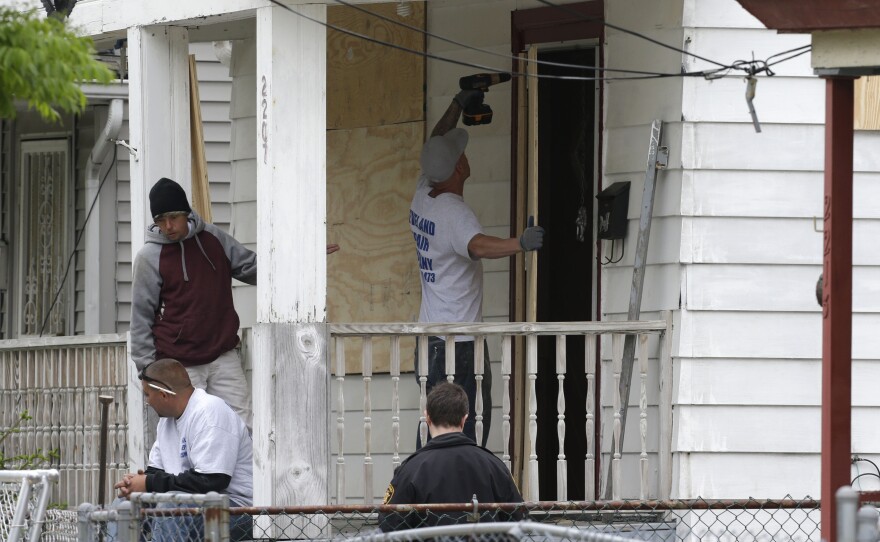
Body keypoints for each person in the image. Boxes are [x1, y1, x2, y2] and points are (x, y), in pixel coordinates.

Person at [411, 89, 544, 447]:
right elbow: (477, 245)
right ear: (459, 167)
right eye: (462, 154)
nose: (466, 157)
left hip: (430, 338)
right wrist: (521, 243)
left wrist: (457, 103)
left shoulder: (424, 191)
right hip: (458, 343)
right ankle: (459, 497)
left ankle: (430, 493)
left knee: (432, 425)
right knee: (465, 429)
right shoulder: (455, 213)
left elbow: (435, 143)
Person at [130, 177, 257, 430]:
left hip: (223, 355)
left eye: (174, 217)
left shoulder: (212, 238)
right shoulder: (149, 257)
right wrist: (147, 368)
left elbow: (250, 267)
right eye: (160, 220)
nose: (168, 226)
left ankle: (239, 472)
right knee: (189, 432)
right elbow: (141, 318)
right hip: (180, 363)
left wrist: (300, 262)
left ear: (186, 214)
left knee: (241, 427)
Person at [113, 358, 253, 542]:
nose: (146, 402)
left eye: (147, 395)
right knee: (123, 505)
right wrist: (137, 484)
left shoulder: (210, 411)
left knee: (170, 507)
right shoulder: (166, 421)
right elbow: (157, 472)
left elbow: (212, 480)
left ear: (164, 395)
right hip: (191, 505)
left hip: (237, 510)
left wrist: (149, 483)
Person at [379, 382, 524, 532]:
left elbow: (389, 525)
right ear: (464, 419)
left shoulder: (410, 470)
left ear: (427, 417)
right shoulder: (495, 466)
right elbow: (519, 518)